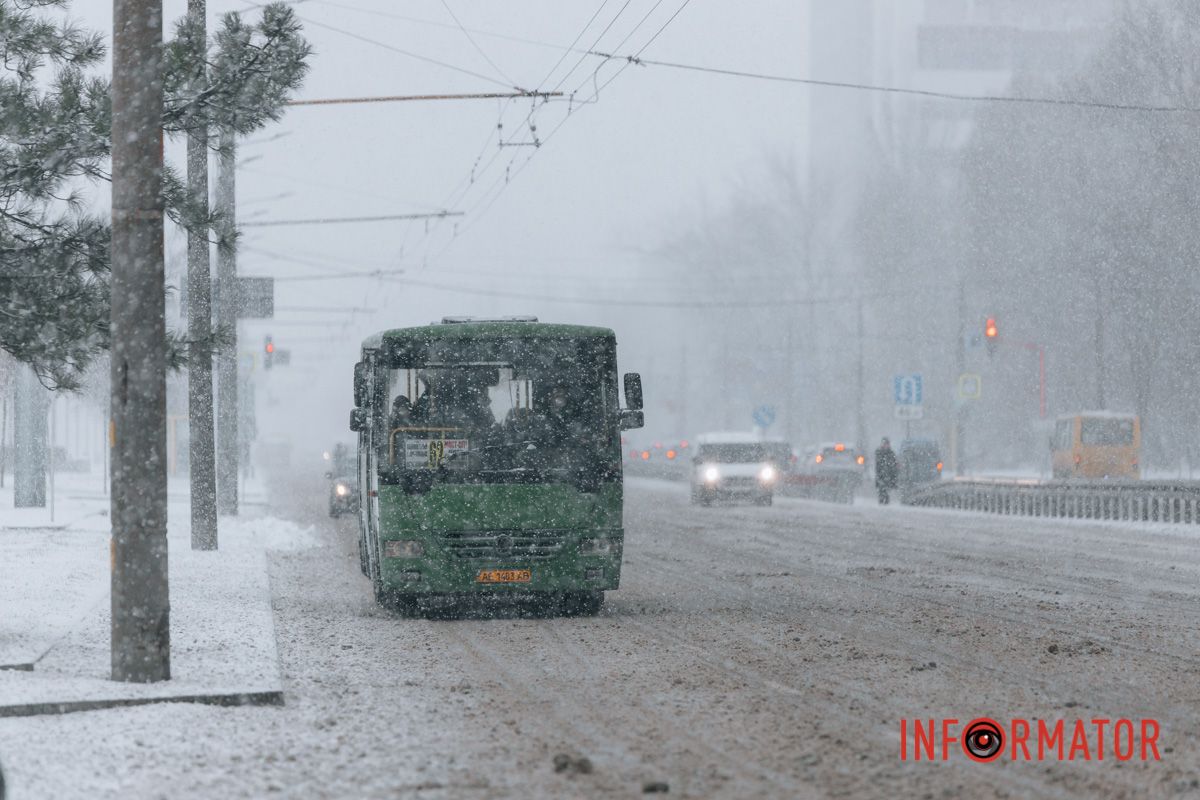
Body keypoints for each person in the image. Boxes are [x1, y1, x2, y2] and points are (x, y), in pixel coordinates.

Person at [874, 437, 899, 505]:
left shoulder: (891, 453)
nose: (886, 445)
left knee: (886, 490)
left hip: (889, 476)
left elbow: (894, 465)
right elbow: (878, 466)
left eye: (887, 444)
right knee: (882, 490)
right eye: (884, 444)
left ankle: (885, 502)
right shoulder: (879, 453)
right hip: (881, 476)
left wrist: (894, 476)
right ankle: (882, 502)